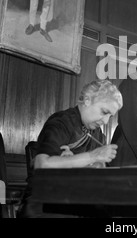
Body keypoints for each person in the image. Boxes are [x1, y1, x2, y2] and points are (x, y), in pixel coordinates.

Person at [18, 80, 123, 218]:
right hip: (46, 199)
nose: (105, 121)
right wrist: (92, 156)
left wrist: (85, 163)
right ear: (87, 100)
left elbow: (97, 170)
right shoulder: (62, 122)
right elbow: (42, 164)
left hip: (77, 196)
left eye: (110, 116)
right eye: (104, 112)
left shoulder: (96, 132)